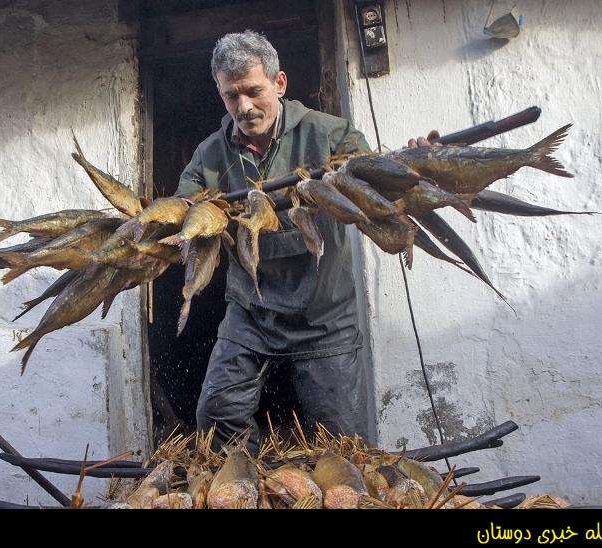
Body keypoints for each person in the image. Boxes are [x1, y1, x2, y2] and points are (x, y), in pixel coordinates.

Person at [175, 30, 431, 452]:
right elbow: (183, 209)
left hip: (323, 315)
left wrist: (416, 163)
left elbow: (379, 181)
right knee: (217, 416)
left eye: (253, 91)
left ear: (279, 83)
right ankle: (246, 487)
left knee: (342, 442)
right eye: (231, 96)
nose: (243, 107)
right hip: (251, 314)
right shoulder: (209, 155)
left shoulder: (330, 134)